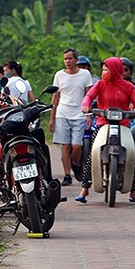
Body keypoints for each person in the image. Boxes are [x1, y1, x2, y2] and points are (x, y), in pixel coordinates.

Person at [77, 57, 135, 204]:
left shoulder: (128, 86)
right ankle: (84, 190)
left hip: (123, 124)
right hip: (103, 123)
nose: (104, 72)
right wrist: (85, 105)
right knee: (93, 152)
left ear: (115, 70)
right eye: (103, 69)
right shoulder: (100, 84)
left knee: (131, 154)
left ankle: (133, 192)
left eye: (106, 69)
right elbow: (89, 96)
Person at [49, 48, 93, 186]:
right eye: (65, 59)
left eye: (70, 58)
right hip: (63, 114)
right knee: (65, 146)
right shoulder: (59, 75)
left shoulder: (85, 74)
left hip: (79, 114)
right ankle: (67, 175)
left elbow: (88, 95)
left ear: (76, 60)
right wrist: (52, 118)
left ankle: (76, 164)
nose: (67, 61)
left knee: (77, 145)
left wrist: (88, 115)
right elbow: (55, 97)